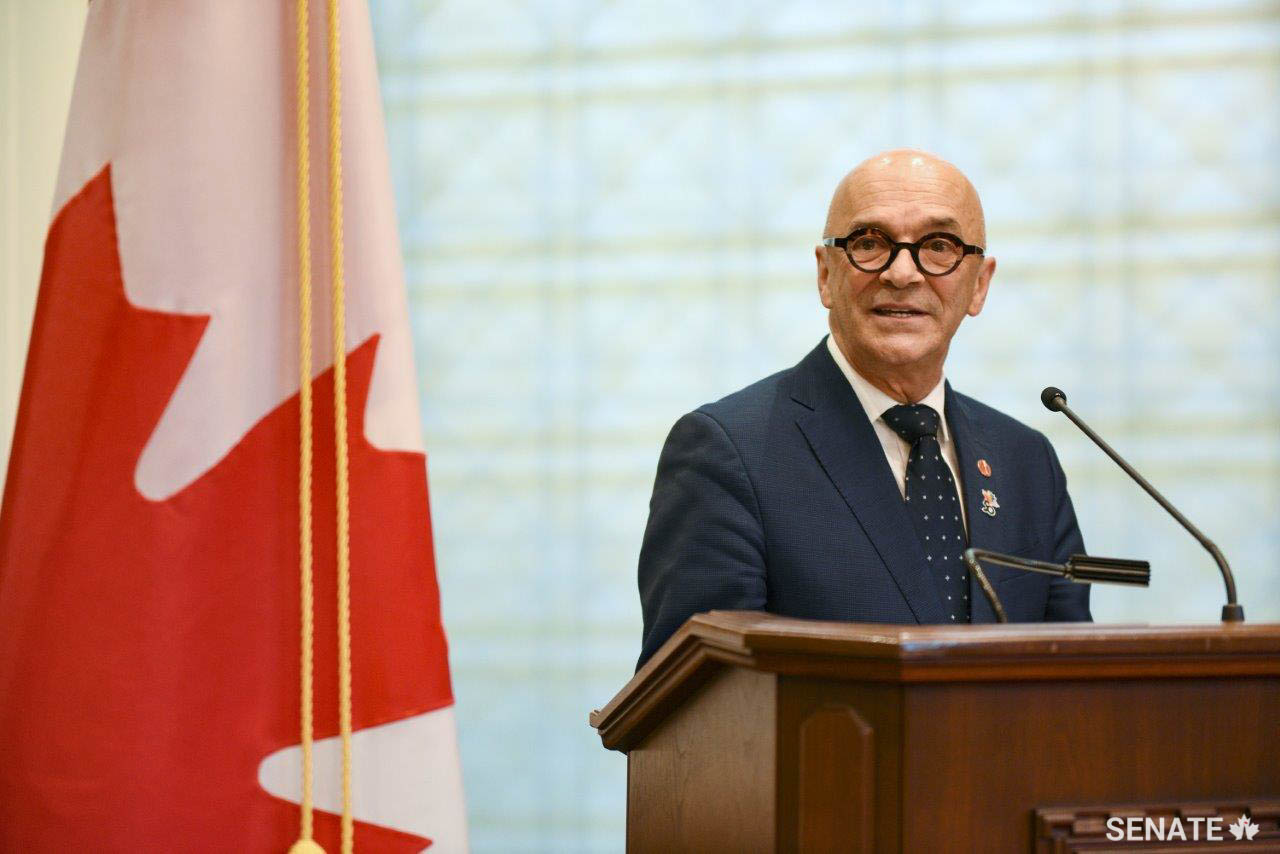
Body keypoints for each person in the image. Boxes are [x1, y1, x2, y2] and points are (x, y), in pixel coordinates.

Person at [637, 149, 1091, 667]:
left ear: (979, 284)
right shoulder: (728, 452)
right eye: (869, 243)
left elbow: (1069, 682)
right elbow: (695, 702)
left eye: (938, 246)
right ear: (826, 274)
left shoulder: (1026, 462)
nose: (902, 273)